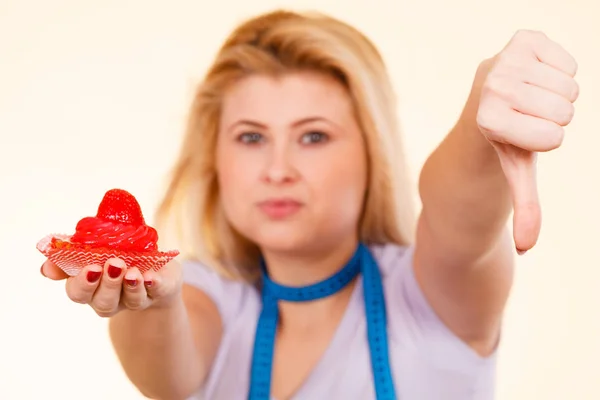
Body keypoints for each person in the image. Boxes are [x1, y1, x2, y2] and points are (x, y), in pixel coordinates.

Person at [40, 9, 579, 400]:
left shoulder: (431, 295)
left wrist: (478, 126)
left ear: (372, 153)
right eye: (251, 137)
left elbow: (456, 219)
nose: (278, 169)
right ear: (216, 163)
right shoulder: (208, 302)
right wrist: (151, 299)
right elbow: (165, 373)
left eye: (314, 136)